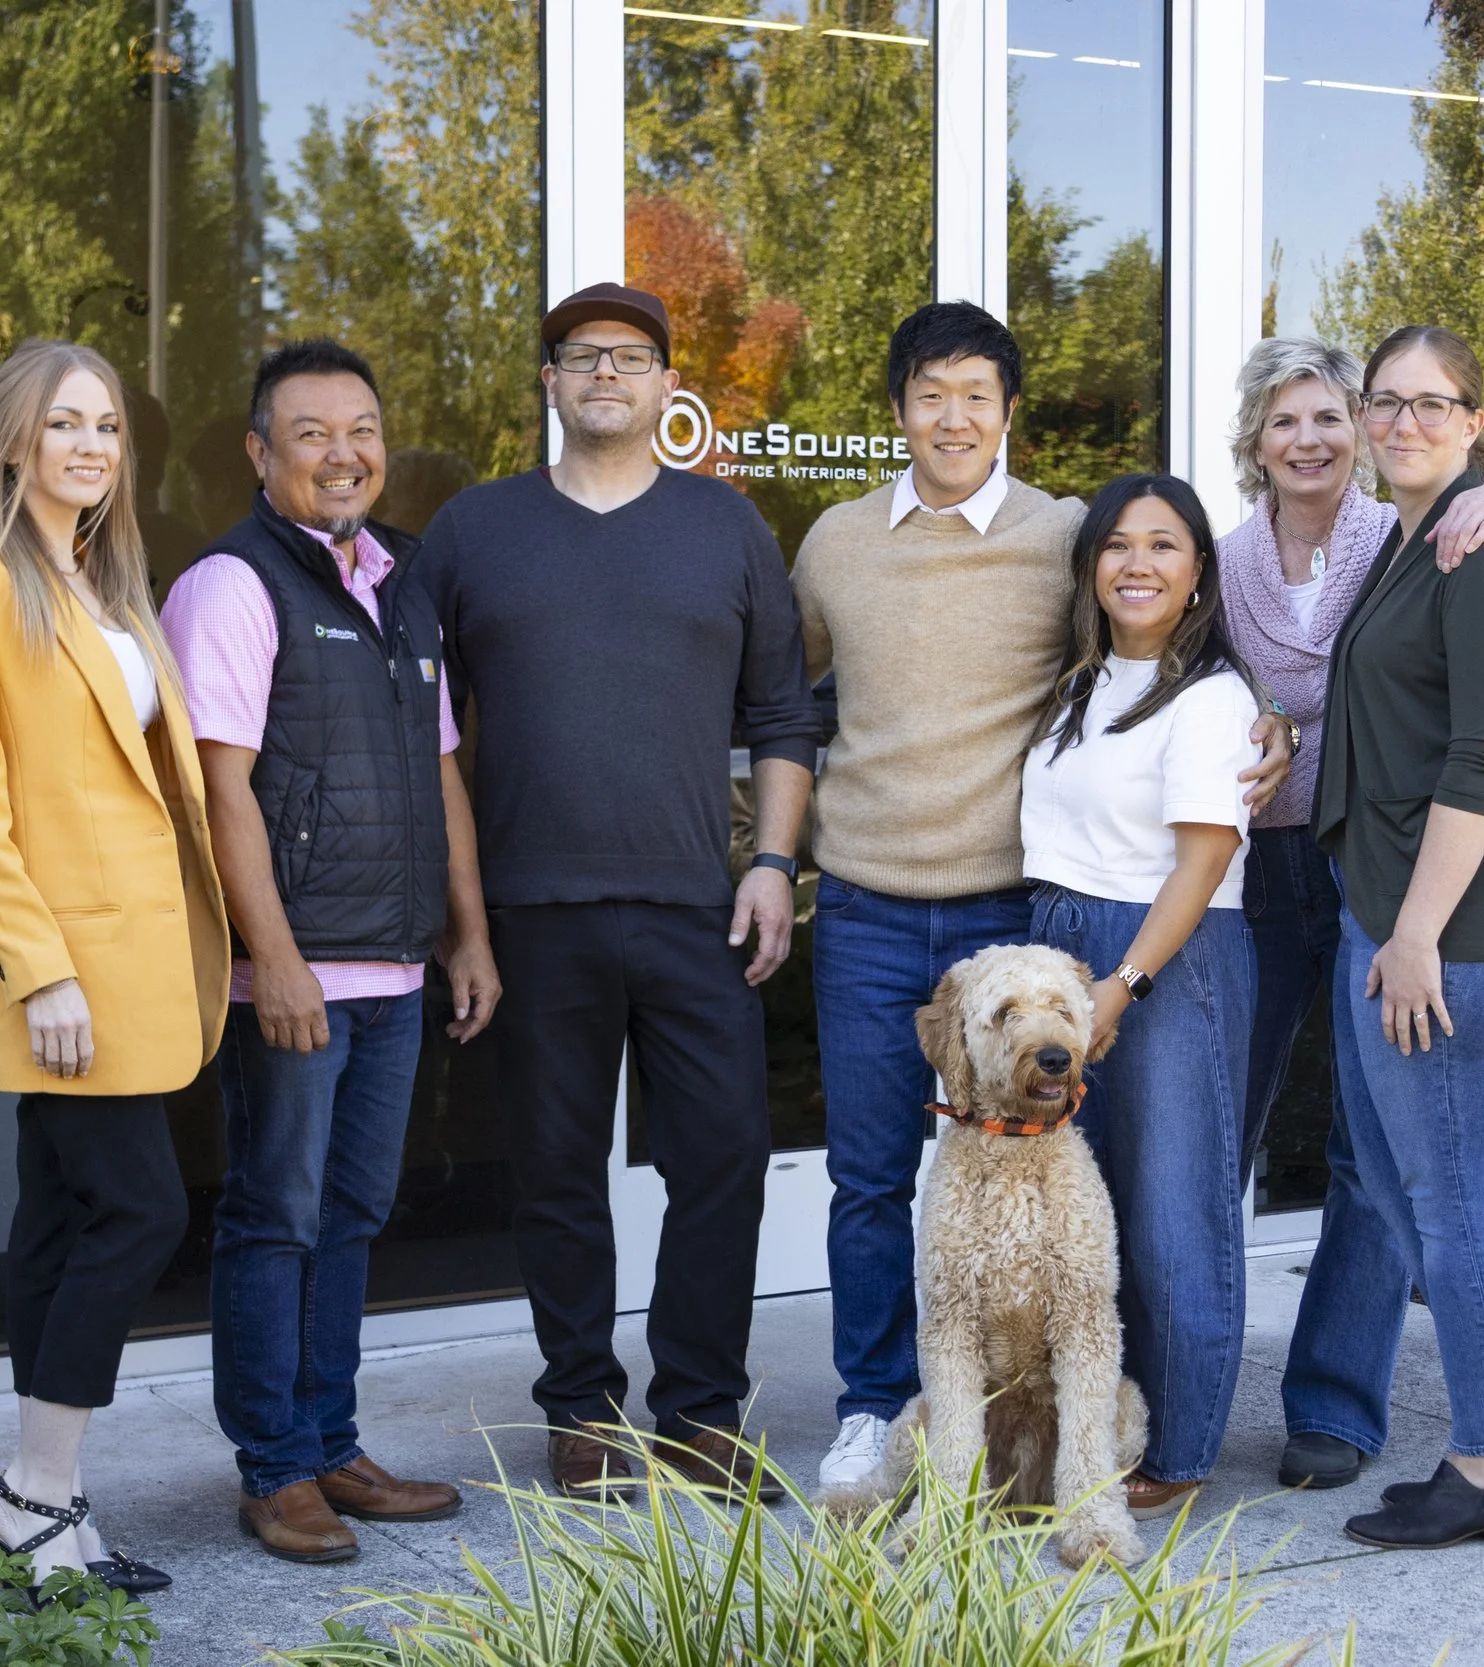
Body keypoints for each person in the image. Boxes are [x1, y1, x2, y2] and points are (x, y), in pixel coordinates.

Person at [794, 302, 1290, 1507]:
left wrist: (1269, 715)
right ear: (897, 410)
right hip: (868, 906)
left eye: (976, 394)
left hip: (1010, 924)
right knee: (873, 1178)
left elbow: (1180, 608)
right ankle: (880, 1410)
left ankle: (1117, 1433)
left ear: (1009, 411)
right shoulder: (835, 545)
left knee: (1095, 1195)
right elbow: (785, 694)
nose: (952, 416)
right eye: (929, 393)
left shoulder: (1062, 531)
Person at [421, 282, 818, 1500]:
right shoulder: (474, 530)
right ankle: (581, 1407)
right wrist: (464, 923)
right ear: (549, 381)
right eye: (582, 354)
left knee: (722, 1160)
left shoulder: (726, 527)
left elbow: (782, 714)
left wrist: (771, 862)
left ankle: (700, 1411)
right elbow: (423, 730)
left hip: (697, 905)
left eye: (632, 356)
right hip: (532, 910)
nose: (606, 372)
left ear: (666, 387)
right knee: (555, 1169)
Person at [161, 338, 497, 1564]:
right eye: (311, 432)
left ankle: (330, 1440)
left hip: (395, 969)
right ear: (261, 453)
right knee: (275, 1216)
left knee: (352, 1212)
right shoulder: (230, 585)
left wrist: (467, 930)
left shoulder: (401, 581)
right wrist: (277, 958)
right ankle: (274, 1465)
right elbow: (220, 789)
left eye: (361, 429)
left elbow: (440, 769)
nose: (343, 452)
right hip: (296, 977)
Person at [0, 338, 229, 1591]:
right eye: (64, 423)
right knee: (141, 1208)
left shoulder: (105, 582)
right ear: (13, 441)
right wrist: (38, 969)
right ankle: (36, 1492)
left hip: (138, 955)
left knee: (57, 1212)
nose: (91, 445)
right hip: (63, 967)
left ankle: (38, 1496)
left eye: (106, 426)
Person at [1223, 337, 1484, 1216]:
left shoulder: (1416, 527)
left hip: (1389, 855)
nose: (1308, 439)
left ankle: (1360, 1320)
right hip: (1274, 855)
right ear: (1256, 441)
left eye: (1327, 417)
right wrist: (1269, 717)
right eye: (1284, 421)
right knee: (1240, 1110)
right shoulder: (1227, 560)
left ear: (1356, 430)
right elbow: (1217, 688)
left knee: (1375, 1156)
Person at [1301, 325, 1484, 1549]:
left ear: (1472, 419)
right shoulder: (1407, 537)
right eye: (1385, 401)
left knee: (1452, 1198)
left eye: (1431, 403)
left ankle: (1480, 1467)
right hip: (1386, 910)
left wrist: (1414, 935)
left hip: (1455, 926)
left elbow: (1482, 759)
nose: (1402, 422)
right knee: (1409, 1189)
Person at [1021, 473, 1263, 1520]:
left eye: (1163, 545)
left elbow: (1203, 861)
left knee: (1172, 1209)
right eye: (1117, 544)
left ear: (1198, 570)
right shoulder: (1079, 682)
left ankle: (1180, 1439)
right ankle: (1093, 1426)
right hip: (1061, 935)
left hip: (1164, 951)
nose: (1137, 563)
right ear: (1089, 566)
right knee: (1088, 1211)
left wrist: (1120, 985)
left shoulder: (1210, 696)